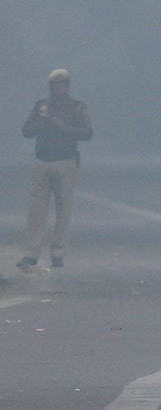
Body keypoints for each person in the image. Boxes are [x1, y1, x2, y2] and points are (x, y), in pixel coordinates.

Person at [18, 69, 92, 270]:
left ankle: (58, 252)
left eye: (60, 84)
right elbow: (26, 130)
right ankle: (32, 253)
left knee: (63, 209)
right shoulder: (42, 106)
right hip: (43, 161)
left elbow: (87, 133)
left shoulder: (77, 108)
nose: (56, 89)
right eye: (53, 85)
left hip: (65, 162)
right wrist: (43, 123)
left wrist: (62, 127)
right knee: (36, 210)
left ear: (67, 86)